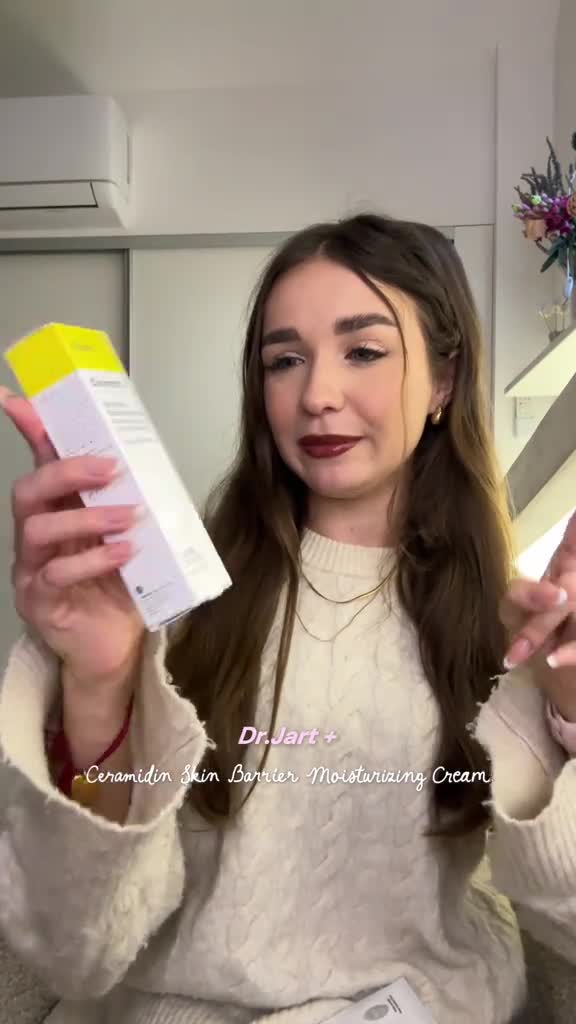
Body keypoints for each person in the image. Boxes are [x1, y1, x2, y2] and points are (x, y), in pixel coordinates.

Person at [0, 214, 575, 1024]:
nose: (317, 396)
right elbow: (77, 949)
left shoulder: (511, 624)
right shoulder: (173, 603)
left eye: (363, 351)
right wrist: (98, 685)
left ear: (443, 382)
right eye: (284, 360)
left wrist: (567, 707)